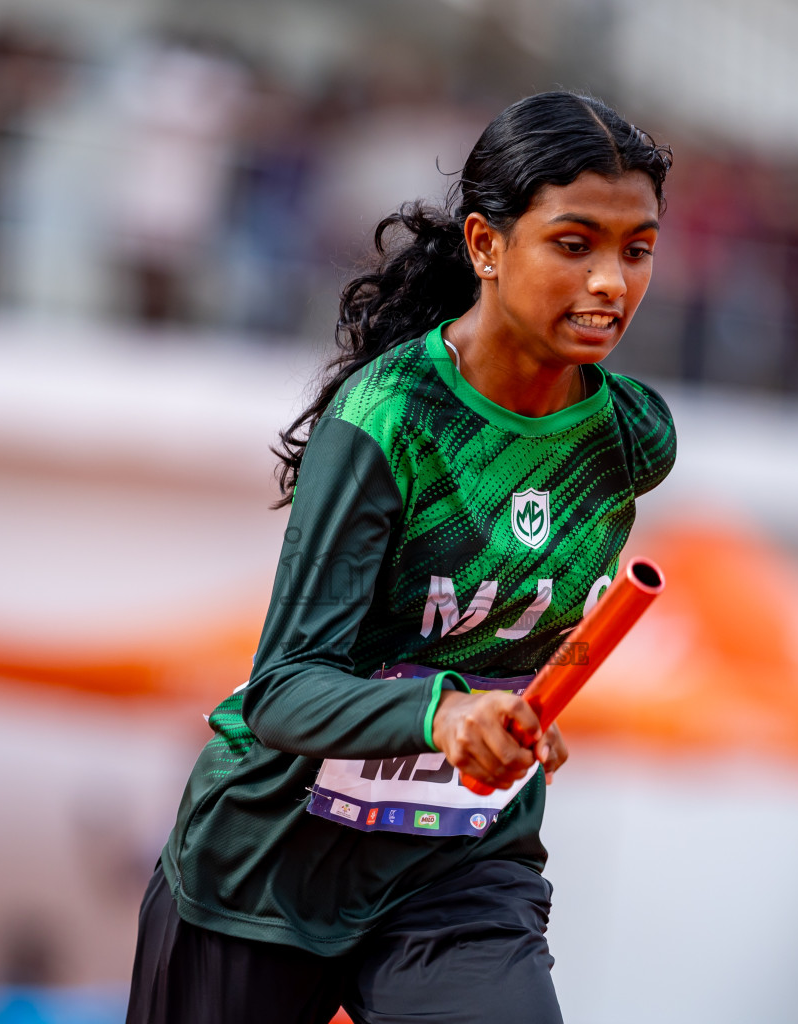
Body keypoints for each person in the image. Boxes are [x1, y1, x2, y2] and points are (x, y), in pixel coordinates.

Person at [126, 91, 676, 1024]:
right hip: (267, 870)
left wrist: (514, 710)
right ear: (487, 246)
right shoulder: (391, 419)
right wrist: (444, 714)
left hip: (456, 869)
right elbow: (287, 691)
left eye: (638, 249)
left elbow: (503, 625)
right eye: (574, 244)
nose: (611, 284)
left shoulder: (630, 439)